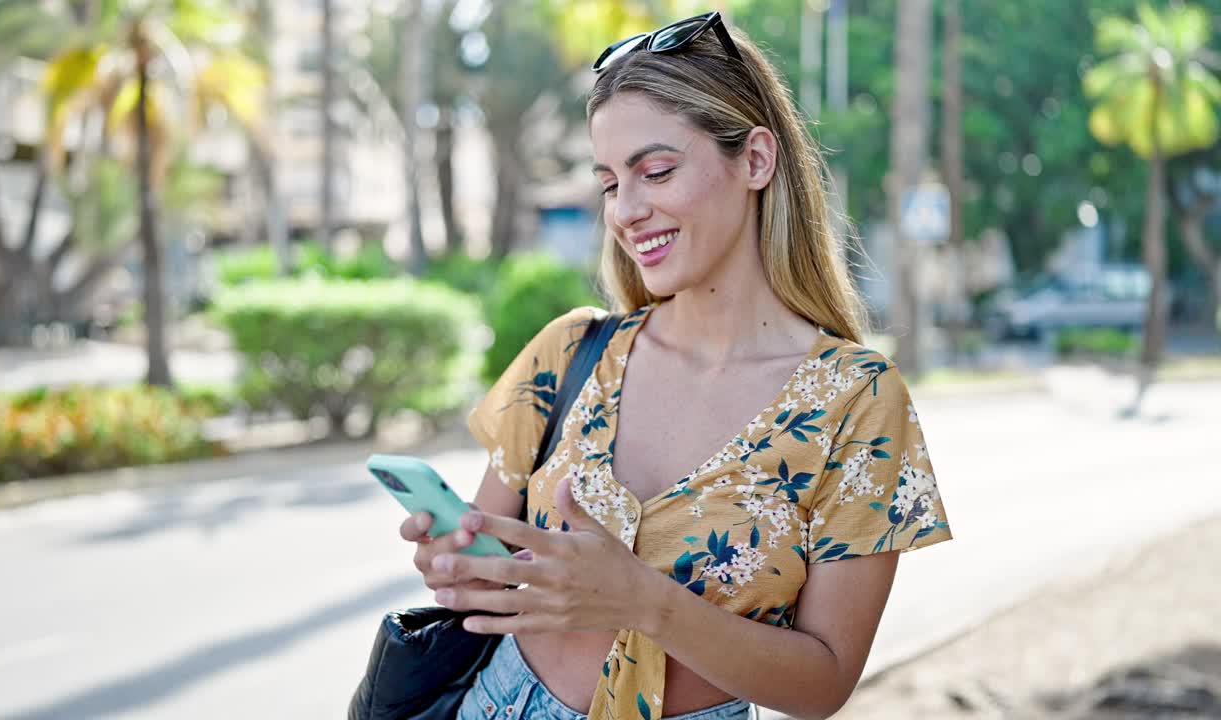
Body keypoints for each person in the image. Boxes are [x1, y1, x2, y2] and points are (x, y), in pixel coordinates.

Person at [398, 12, 953, 720]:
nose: (626, 211)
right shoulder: (569, 352)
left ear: (755, 160)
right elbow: (494, 574)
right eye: (608, 183)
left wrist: (645, 601)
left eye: (655, 171)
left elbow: (825, 684)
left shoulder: (857, 401)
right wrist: (458, 562)